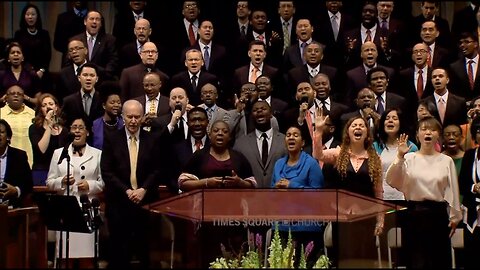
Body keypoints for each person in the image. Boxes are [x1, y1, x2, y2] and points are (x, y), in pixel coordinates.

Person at [386, 116, 462, 268]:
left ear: (438, 136)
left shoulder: (446, 160)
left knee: (438, 260)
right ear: (417, 135)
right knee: (416, 261)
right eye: (424, 129)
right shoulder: (409, 158)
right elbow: (391, 180)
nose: (428, 132)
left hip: (438, 216)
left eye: (433, 130)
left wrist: (454, 217)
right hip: (414, 215)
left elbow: (453, 189)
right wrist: (400, 156)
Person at [178, 119, 256, 267]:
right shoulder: (199, 156)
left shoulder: (239, 158)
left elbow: (252, 186)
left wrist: (239, 182)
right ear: (210, 134)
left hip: (234, 219)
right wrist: (206, 182)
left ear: (230, 137)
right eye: (216, 131)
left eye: (224, 131)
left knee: (234, 256)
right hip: (207, 219)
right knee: (208, 255)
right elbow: (183, 183)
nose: (220, 134)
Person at [313, 113, 384, 265]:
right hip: (343, 215)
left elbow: (378, 191)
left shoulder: (375, 158)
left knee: (364, 257)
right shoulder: (338, 154)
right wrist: (319, 131)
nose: (358, 127)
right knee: (343, 257)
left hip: (366, 216)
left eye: (362, 125)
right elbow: (317, 154)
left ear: (367, 132)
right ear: (348, 132)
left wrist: (380, 220)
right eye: (354, 125)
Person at [101, 99, 164, 269]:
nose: (134, 121)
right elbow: (107, 171)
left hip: (146, 204)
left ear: (143, 117)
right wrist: (127, 191)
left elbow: (157, 170)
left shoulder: (153, 139)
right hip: (119, 205)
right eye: (130, 117)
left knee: (146, 254)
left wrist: (143, 189)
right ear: (122, 117)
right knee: (119, 255)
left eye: (137, 117)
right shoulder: (112, 138)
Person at [46, 116, 104, 267]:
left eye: (81, 127)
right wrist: (61, 181)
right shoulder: (59, 153)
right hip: (66, 212)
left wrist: (90, 185)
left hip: (87, 210)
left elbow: (103, 183)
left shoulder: (98, 154)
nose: (77, 131)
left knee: (87, 258)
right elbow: (49, 182)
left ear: (88, 132)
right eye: (74, 127)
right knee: (66, 257)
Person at [271, 125, 323, 268]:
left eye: (295, 135)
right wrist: (276, 191)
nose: (291, 138)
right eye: (288, 135)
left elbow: (319, 196)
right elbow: (271, 195)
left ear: (303, 142)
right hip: (281, 227)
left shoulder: (311, 164)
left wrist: (292, 186)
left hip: (306, 228)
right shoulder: (278, 164)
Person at [374, 108, 418, 201]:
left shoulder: (411, 147)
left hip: (404, 198)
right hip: (380, 197)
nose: (390, 120)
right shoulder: (375, 146)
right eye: (387, 118)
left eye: (394, 118)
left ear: (401, 122)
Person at [29, 93, 69, 185]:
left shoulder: (65, 130)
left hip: (60, 172)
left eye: (51, 104)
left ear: (56, 108)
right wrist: (49, 125)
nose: (48, 107)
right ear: (41, 110)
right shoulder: (34, 128)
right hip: (41, 171)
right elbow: (41, 150)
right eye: (44, 105)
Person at [458, 116, 480, 269]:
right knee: (472, 258)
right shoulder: (469, 155)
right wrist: (474, 188)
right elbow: (462, 184)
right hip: (472, 214)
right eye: (478, 130)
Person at [13, 3, 51, 90]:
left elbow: (48, 55)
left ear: (37, 16)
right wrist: (30, 70)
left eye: (33, 14)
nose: (30, 17)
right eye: (28, 14)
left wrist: (42, 70)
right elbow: (18, 53)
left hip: (42, 73)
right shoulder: (19, 34)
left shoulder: (44, 34)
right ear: (24, 16)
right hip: (24, 72)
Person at [0, 119, 33, 208]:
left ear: (8, 137)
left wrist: (16, 190)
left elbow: (28, 184)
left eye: (1, 132)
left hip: (11, 207)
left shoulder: (19, 156)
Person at [0, 41, 41, 107]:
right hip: (5, 111)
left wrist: (26, 97)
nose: (16, 54)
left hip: (27, 111)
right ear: (8, 58)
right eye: (12, 52)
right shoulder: (1, 75)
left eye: (18, 52)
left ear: (23, 58)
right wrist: (3, 99)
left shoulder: (32, 74)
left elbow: (38, 100)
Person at [92, 81, 124, 150]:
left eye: (118, 102)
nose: (116, 105)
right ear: (104, 105)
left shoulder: (124, 123)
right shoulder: (95, 125)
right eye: (112, 102)